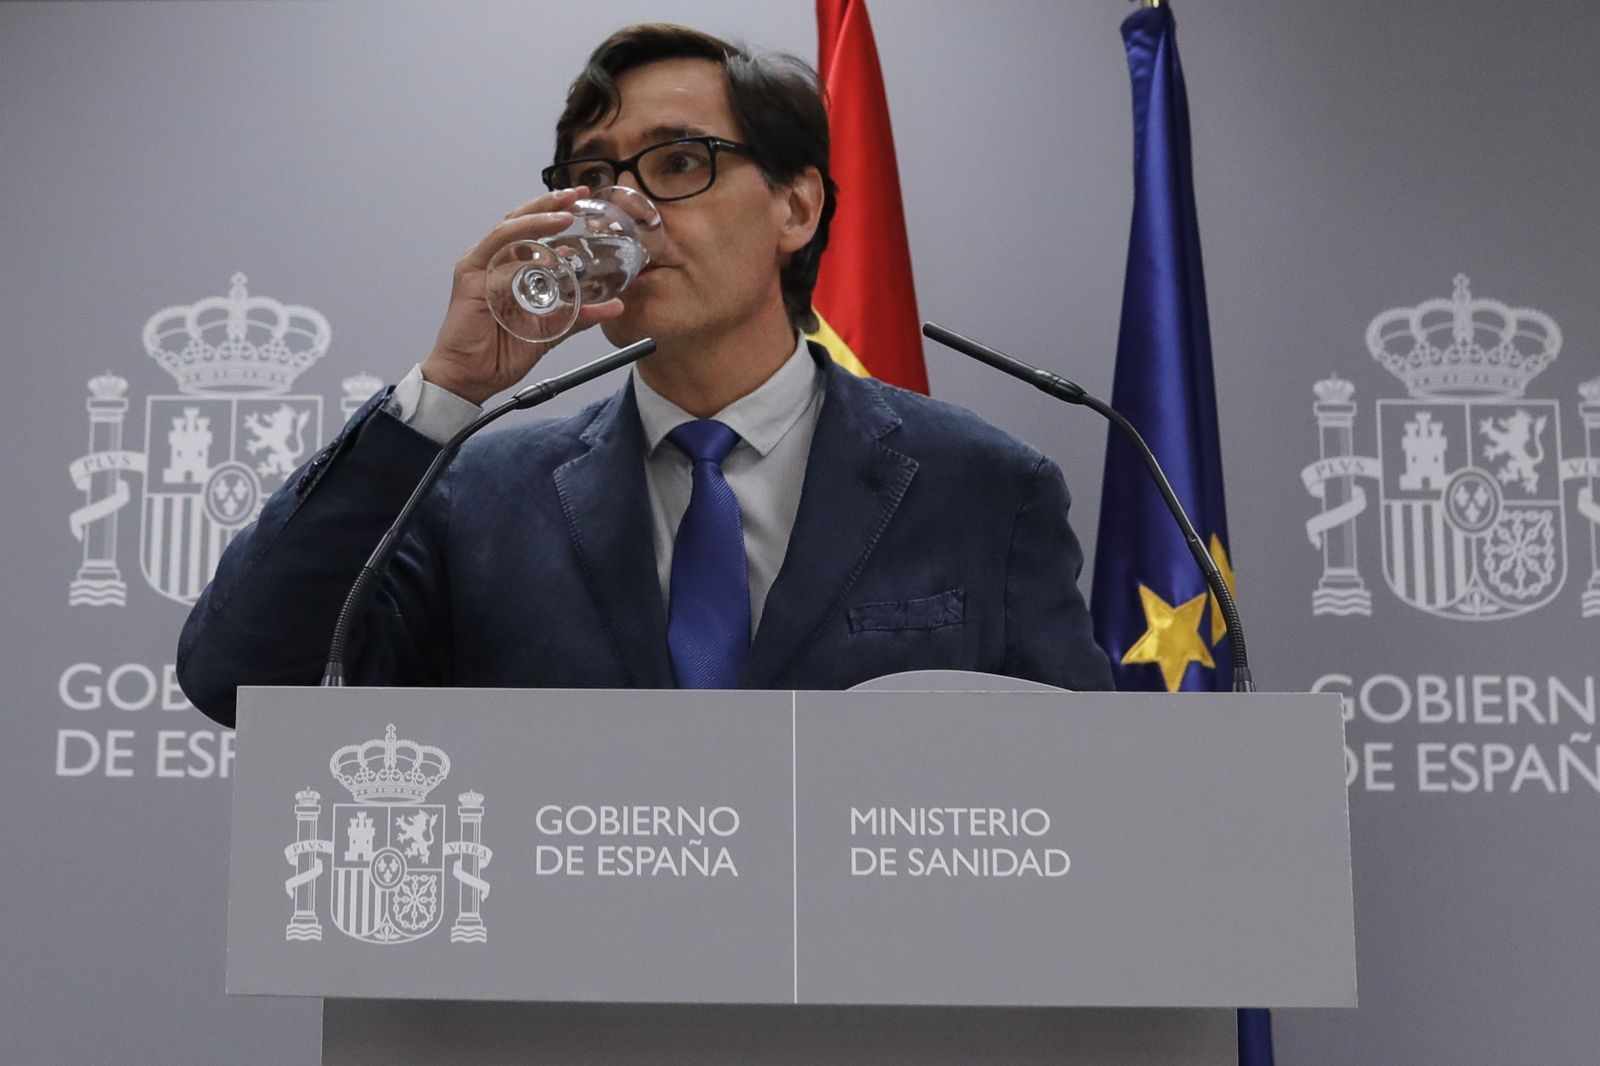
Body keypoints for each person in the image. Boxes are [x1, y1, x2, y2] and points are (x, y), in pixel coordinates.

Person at [177, 23, 1112, 726]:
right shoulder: (479, 495)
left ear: (796, 206)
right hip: (565, 982)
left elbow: (1077, 805)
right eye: (593, 178)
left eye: (678, 163)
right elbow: (245, 679)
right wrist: (446, 390)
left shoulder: (984, 487)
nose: (628, 211)